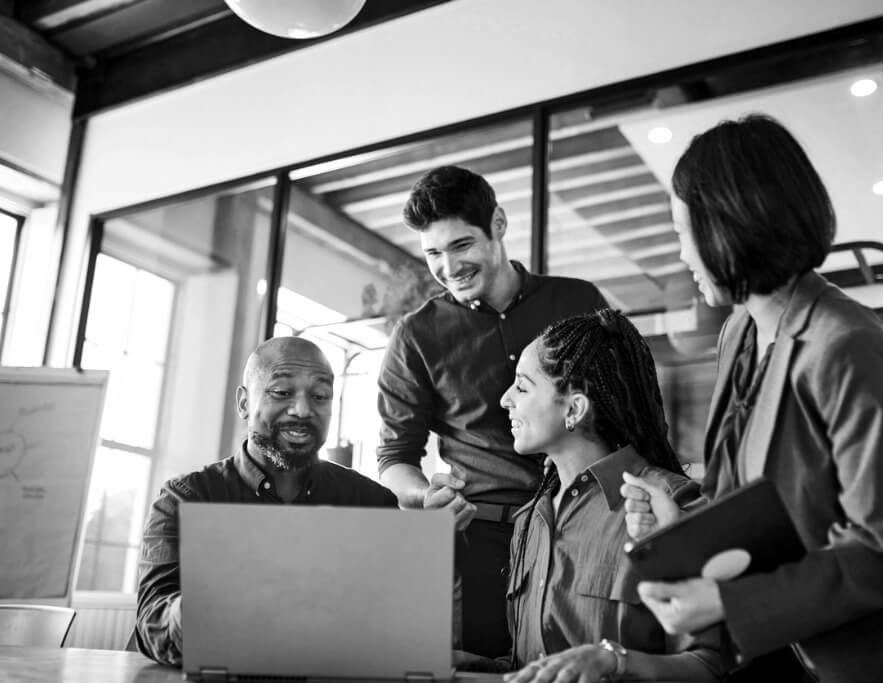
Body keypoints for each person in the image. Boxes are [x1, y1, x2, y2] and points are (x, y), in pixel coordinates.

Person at [621, 114, 883, 682]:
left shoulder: (848, 342)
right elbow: (766, 506)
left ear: (731, 224)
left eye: (683, 232)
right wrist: (678, 522)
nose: (681, 254)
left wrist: (726, 604)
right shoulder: (740, 331)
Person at [377, 165, 607, 657]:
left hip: (586, 527)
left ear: (498, 224)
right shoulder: (416, 337)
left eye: (461, 246)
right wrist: (423, 497)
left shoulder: (579, 301)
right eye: (433, 253)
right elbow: (394, 457)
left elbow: (625, 408)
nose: (448, 266)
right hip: (483, 541)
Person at [489, 309, 724, 683]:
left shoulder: (671, 505)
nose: (504, 399)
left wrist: (614, 660)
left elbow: (711, 667)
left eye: (522, 386)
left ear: (575, 409)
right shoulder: (530, 520)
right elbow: (531, 666)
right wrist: (458, 665)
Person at [135, 336, 398, 666]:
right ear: (244, 403)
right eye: (282, 392)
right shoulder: (183, 499)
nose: (303, 410)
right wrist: (196, 609)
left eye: (320, 396)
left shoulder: (372, 503)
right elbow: (150, 622)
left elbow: (397, 623)